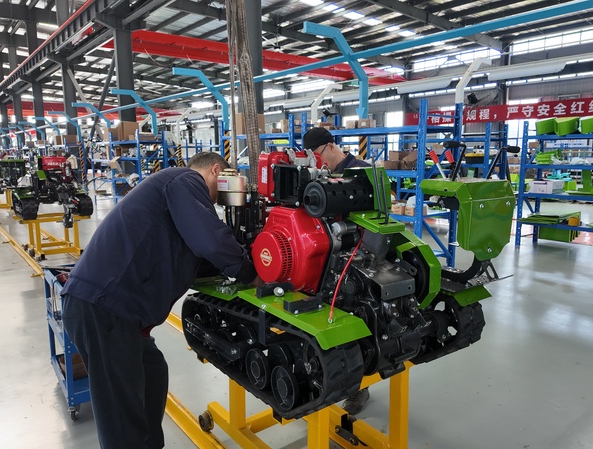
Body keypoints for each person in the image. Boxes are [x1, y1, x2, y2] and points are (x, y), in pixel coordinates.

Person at [61, 152, 260, 449]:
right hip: (104, 309)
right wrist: (250, 273)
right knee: (122, 421)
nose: (219, 199)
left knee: (153, 374)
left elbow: (192, 253)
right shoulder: (184, 179)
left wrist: (233, 260)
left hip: (120, 314)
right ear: (216, 170)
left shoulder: (172, 194)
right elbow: (209, 239)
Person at [302, 127, 372, 415]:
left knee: (355, 315)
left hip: (356, 255)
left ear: (331, 146)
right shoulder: (316, 173)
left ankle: (358, 386)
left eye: (318, 155)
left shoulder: (362, 170)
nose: (318, 162)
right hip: (323, 254)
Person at [303, 127, 370, 173]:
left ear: (331, 147)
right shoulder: (321, 175)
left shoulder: (363, 170)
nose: (315, 163)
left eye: (316, 157)